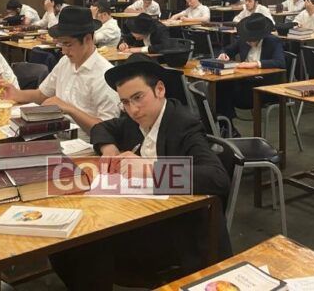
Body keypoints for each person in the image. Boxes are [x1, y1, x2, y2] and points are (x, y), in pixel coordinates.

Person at [50, 54, 231, 290]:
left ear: (160, 90)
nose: (133, 109)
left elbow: (217, 178)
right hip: (136, 212)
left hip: (176, 232)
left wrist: (150, 168)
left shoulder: (183, 125)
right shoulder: (134, 120)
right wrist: (109, 148)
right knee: (65, 243)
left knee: (84, 246)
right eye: (125, 102)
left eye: (138, 98)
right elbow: (102, 127)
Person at [1, 6, 120, 138]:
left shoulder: (105, 75)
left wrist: (70, 109)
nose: (63, 51)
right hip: (56, 135)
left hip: (85, 144)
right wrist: (17, 94)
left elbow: (108, 130)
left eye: (68, 44)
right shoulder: (65, 62)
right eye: (61, 44)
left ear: (88, 39)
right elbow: (42, 94)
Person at [216, 14, 285, 135]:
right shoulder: (243, 40)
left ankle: (227, 128)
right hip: (245, 83)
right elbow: (227, 50)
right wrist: (223, 55)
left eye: (251, 39)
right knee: (220, 86)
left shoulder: (273, 41)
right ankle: (226, 126)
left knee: (224, 91)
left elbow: (280, 62)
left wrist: (255, 64)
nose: (248, 42)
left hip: (264, 86)